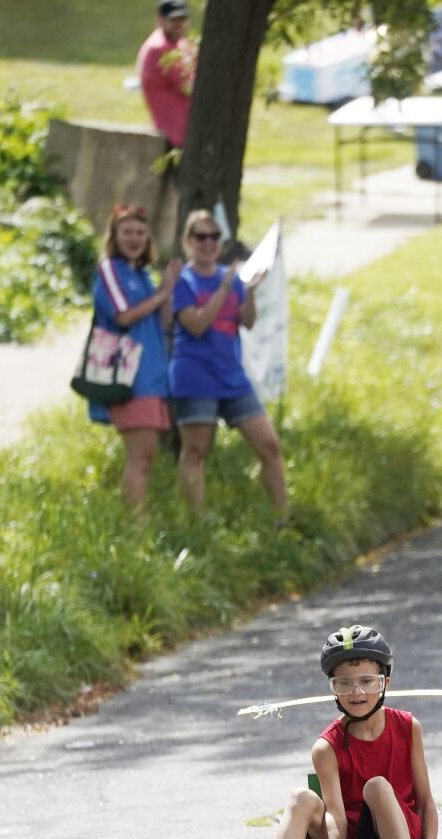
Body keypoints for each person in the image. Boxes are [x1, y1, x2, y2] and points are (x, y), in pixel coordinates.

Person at [267, 626, 442, 839]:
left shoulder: (408, 727)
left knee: (378, 786)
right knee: (299, 798)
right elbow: (335, 815)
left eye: (366, 681)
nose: (356, 693)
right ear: (333, 689)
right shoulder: (326, 747)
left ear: (384, 683)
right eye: (344, 683)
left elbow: (425, 801)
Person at [170, 210, 289, 518]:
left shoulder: (233, 279)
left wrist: (248, 291)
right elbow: (196, 325)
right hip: (195, 375)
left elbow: (247, 322)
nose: (208, 243)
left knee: (269, 446)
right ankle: (196, 521)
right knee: (196, 451)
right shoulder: (183, 281)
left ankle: (282, 518)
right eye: (200, 236)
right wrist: (223, 289)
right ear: (188, 241)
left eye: (213, 237)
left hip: (232, 376)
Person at [89, 205, 181, 512]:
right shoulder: (110, 269)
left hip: (152, 377)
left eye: (141, 232)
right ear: (114, 236)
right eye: (127, 231)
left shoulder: (141, 274)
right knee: (139, 457)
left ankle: (137, 521)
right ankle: (135, 527)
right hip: (130, 377)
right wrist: (161, 293)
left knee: (147, 455)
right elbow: (124, 316)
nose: (135, 238)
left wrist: (167, 291)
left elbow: (161, 323)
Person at [139, 0, 196, 149]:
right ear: (159, 20)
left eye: (182, 19)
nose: (178, 24)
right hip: (173, 135)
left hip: (183, 130)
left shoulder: (180, 44)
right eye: (173, 20)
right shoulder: (159, 48)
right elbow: (189, 88)